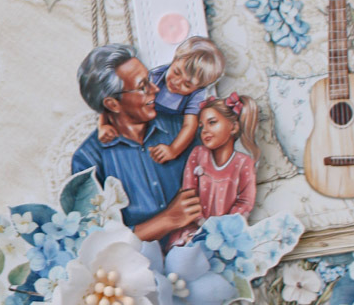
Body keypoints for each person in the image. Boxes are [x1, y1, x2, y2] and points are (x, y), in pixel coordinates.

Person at [71, 43, 202, 242]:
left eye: (150, 80)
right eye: (143, 87)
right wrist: (168, 220)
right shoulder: (88, 160)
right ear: (112, 104)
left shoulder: (182, 130)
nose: (155, 89)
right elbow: (95, 242)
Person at [97, 35, 224, 164]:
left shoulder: (197, 95)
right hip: (145, 122)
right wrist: (103, 125)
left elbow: (189, 126)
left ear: (198, 88)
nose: (176, 82)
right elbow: (118, 99)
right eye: (176, 72)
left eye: (187, 85)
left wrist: (173, 150)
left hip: (173, 131)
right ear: (174, 60)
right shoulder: (154, 76)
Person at [169, 93, 259, 247]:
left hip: (227, 233)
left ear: (233, 127)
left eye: (212, 122)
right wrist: (202, 223)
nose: (204, 130)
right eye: (201, 126)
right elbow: (189, 193)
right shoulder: (198, 154)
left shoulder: (244, 162)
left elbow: (245, 201)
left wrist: (223, 228)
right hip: (195, 228)